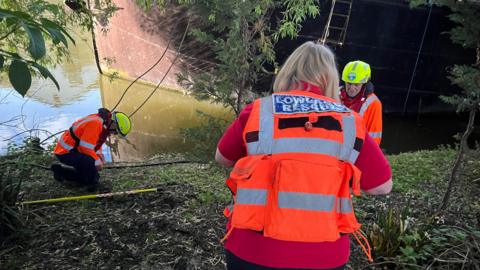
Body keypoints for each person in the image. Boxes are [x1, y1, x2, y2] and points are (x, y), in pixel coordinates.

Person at [215, 42, 392, 270]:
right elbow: (382, 186)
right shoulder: (350, 123)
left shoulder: (260, 110)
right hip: (324, 256)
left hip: (253, 251)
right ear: (331, 79)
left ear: (288, 72)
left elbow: (223, 157)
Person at [51, 108, 131, 192]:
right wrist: (97, 162)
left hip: (74, 150)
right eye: (115, 131)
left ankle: (59, 171)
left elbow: (95, 143)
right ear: (113, 123)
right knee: (89, 163)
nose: (114, 134)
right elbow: (85, 147)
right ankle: (93, 187)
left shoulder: (103, 122)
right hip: (66, 152)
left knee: (88, 176)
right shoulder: (96, 123)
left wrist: (100, 155)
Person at [340, 60, 383, 145]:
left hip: (357, 151)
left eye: (356, 85)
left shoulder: (373, 103)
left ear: (364, 84)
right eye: (348, 83)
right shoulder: (336, 94)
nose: (351, 89)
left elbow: (374, 137)